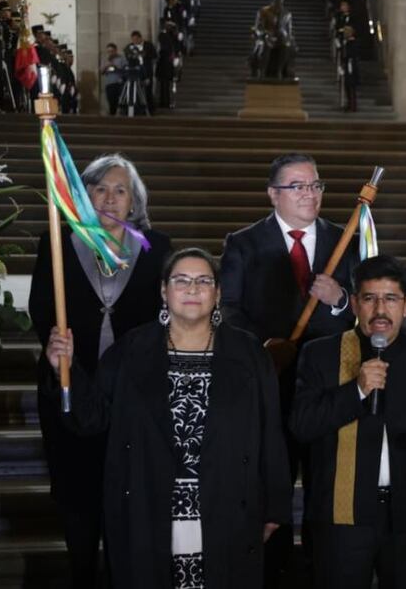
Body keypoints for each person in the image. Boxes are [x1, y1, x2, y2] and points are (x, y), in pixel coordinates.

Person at [45, 247, 293, 589]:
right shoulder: (132, 350)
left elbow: (270, 433)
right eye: (181, 280)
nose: (192, 289)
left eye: (204, 280)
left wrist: (275, 507)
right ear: (164, 291)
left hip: (228, 503)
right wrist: (66, 369)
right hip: (149, 504)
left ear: (218, 293)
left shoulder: (249, 353)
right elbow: (91, 419)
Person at [29, 154, 173, 588]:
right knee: (77, 491)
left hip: (133, 389)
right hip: (72, 380)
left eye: (120, 190)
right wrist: (58, 352)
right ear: (85, 196)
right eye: (99, 189)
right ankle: (81, 574)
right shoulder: (58, 240)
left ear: (134, 201)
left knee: (127, 493)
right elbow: (41, 306)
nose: (110, 198)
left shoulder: (155, 246)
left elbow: (164, 316)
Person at [219, 153, 359, 585]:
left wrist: (339, 300)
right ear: (273, 194)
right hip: (268, 384)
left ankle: (322, 568)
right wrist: (263, 349)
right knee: (271, 484)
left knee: (324, 483)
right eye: (297, 186)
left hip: (326, 387)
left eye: (315, 185)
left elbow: (367, 310)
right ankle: (273, 570)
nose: (309, 194)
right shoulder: (243, 242)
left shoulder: (346, 239)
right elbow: (228, 309)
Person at [291, 254, 406, 589]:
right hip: (341, 518)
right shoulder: (321, 354)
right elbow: (301, 425)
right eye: (370, 299)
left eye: (391, 299)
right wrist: (356, 390)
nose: (380, 310)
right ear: (354, 303)